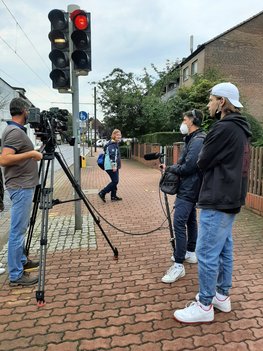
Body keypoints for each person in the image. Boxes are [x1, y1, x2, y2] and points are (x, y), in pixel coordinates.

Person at [174, 82, 252, 323]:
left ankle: (205, 305)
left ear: (222, 102)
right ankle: (221, 295)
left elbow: (201, 161)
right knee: (225, 248)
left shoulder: (222, 129)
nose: (208, 104)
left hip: (217, 198)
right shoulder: (242, 129)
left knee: (207, 252)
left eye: (211, 99)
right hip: (231, 197)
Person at [0, 97, 43, 286]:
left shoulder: (15, 131)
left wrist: (39, 148)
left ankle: (22, 261)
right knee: (17, 231)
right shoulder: (14, 132)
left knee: (21, 228)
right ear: (24, 110)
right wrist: (32, 154)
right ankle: (16, 275)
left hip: (22, 185)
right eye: (28, 110)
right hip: (20, 186)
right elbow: (4, 159)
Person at [161, 110, 206, 284]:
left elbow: (188, 167)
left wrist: (171, 169)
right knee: (190, 220)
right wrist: (173, 166)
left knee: (179, 223)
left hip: (189, 188)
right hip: (191, 187)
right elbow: (185, 163)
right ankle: (190, 252)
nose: (183, 122)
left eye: (185, 119)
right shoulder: (193, 139)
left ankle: (179, 265)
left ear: (193, 121)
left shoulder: (197, 140)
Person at [98, 129, 122, 202]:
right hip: (111, 166)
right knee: (115, 181)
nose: (119, 136)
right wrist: (114, 165)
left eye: (120, 135)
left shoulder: (113, 143)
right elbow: (112, 155)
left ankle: (113, 196)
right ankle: (103, 192)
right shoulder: (112, 144)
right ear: (114, 135)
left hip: (112, 166)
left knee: (114, 180)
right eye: (117, 135)